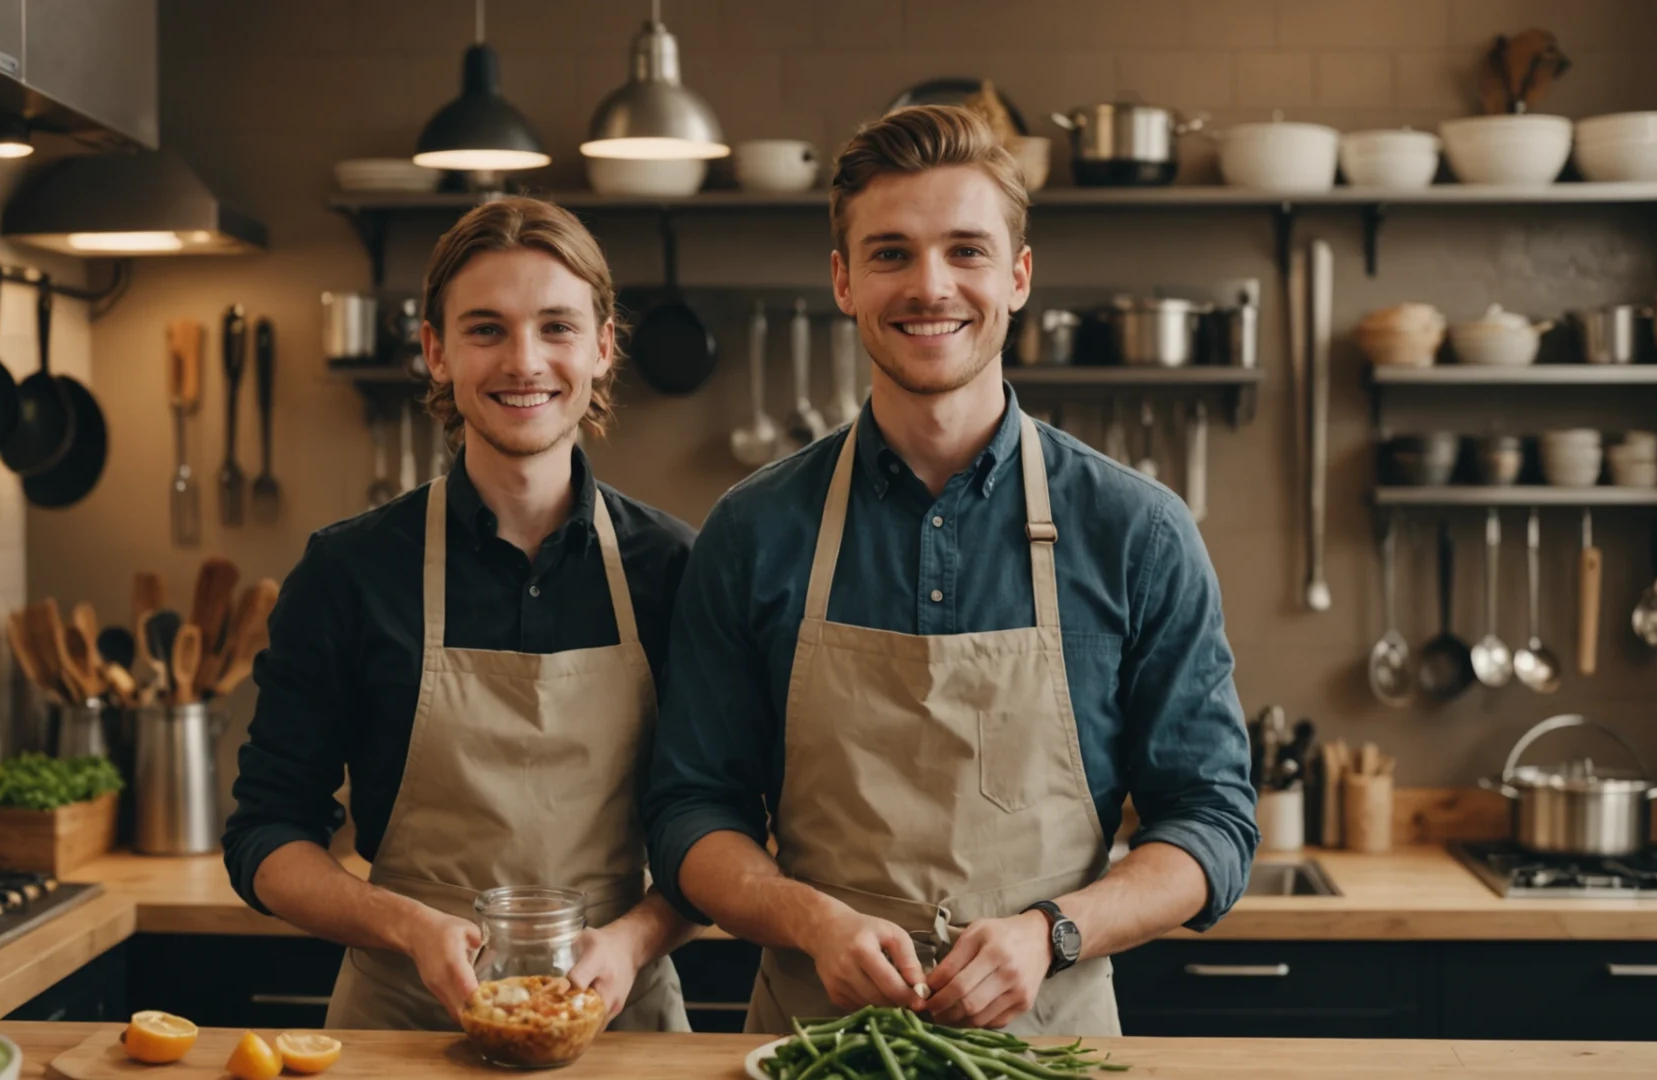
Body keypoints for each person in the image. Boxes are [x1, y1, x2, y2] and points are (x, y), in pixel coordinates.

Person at [642, 105, 1258, 1037]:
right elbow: (690, 812)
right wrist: (814, 920)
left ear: (1017, 277)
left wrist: (1054, 930)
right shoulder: (754, 531)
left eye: (965, 251)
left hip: (1049, 1047)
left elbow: (1211, 822)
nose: (930, 286)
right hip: (815, 1045)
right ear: (844, 281)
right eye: (891, 253)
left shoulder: (1138, 532)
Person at [223, 197, 698, 1032]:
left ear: (602, 345)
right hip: (402, 1027)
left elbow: (724, 827)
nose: (525, 362)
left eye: (556, 326)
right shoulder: (350, 572)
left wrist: (632, 938)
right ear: (435, 352)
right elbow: (267, 834)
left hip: (618, 1027)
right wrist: (405, 925)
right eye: (486, 329)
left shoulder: (677, 570)